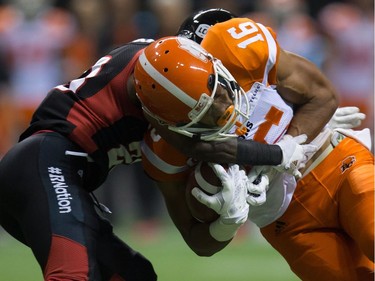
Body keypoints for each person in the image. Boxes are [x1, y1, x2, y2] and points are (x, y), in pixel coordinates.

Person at [0, 30, 314, 280]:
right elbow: (203, 146)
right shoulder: (156, 93)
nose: (224, 112)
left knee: (135, 275)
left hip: (66, 175)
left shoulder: (172, 65)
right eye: (202, 113)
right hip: (44, 164)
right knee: (73, 275)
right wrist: (279, 152)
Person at [134, 10, 374, 281]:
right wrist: (224, 226)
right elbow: (196, 238)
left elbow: (322, 95)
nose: (213, 102)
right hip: (286, 221)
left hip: (336, 166)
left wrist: (292, 140)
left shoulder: (240, 50)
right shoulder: (165, 135)